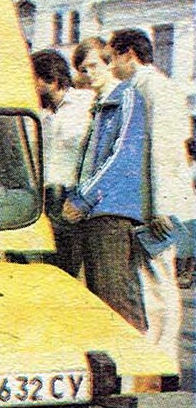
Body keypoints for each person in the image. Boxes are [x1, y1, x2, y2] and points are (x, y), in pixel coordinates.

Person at [107, 28, 194, 362]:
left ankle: (163, 355)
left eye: (113, 58)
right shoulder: (141, 87)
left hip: (157, 205)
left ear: (129, 54)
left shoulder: (156, 89)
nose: (112, 66)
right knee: (149, 279)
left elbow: (164, 151)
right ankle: (154, 351)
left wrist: (160, 208)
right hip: (144, 202)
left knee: (159, 280)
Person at [62, 37, 147, 331]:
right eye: (83, 69)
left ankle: (134, 358)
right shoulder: (99, 106)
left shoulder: (126, 97)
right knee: (98, 297)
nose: (89, 74)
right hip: (94, 210)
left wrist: (83, 199)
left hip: (112, 210)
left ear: (110, 62)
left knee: (115, 297)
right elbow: (87, 161)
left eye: (94, 65)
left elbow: (123, 155)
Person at [31, 49, 92, 277]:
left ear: (51, 79)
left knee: (67, 263)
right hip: (46, 195)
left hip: (70, 194)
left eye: (34, 79)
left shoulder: (84, 104)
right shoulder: (43, 113)